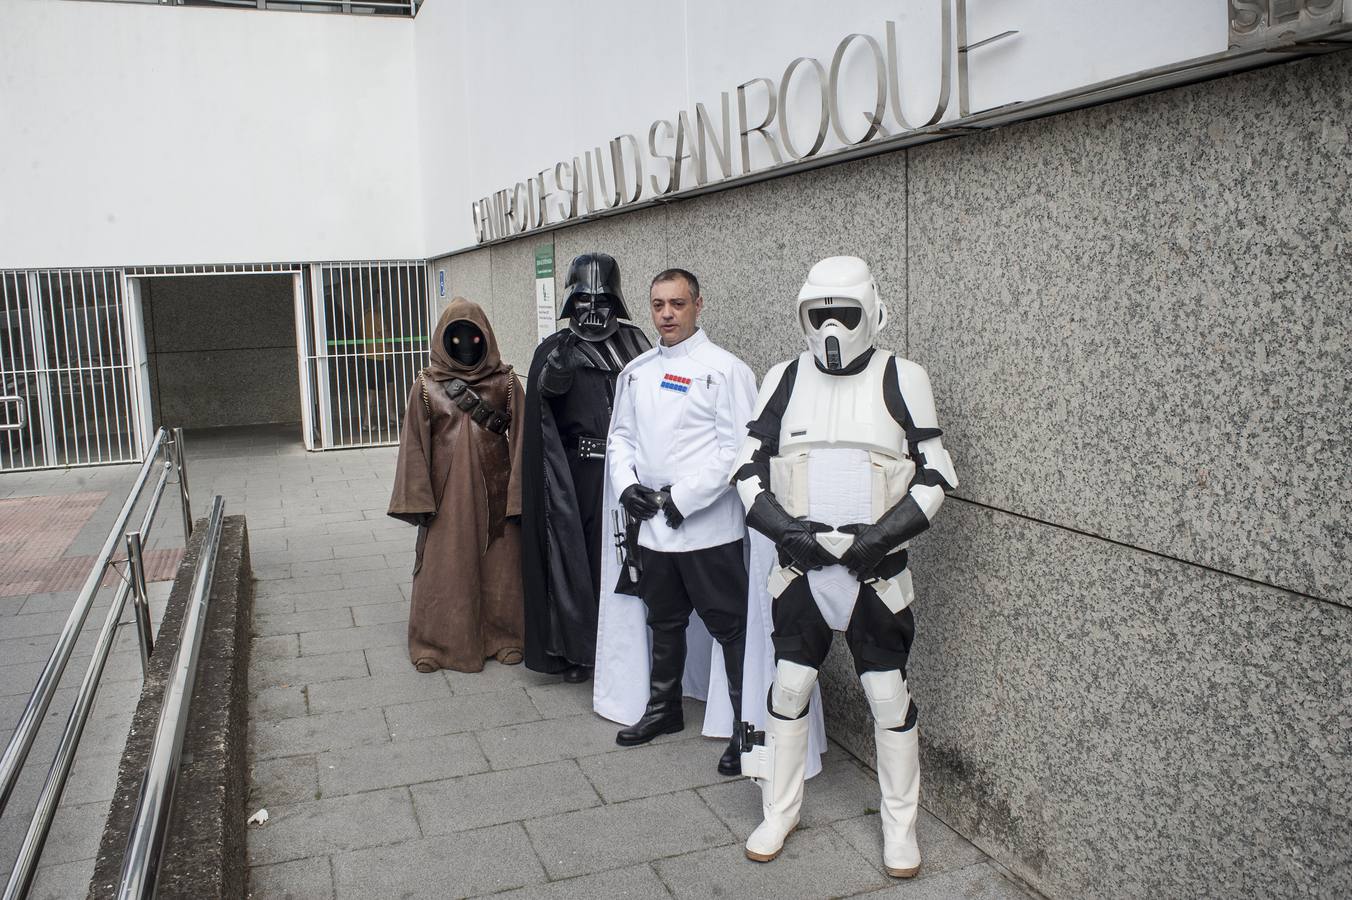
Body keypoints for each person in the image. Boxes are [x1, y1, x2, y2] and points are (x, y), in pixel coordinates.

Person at [732, 256, 958, 877]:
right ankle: (779, 811)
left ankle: (900, 828)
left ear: (873, 314)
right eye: (819, 314)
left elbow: (936, 475)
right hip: (801, 569)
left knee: (888, 695)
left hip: (875, 573)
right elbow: (747, 469)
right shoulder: (783, 377)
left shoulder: (903, 376)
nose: (831, 328)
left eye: (844, 314)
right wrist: (787, 532)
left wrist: (878, 540)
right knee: (789, 687)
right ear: (802, 315)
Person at [595, 268, 758, 774]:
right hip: (652, 525)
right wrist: (627, 486)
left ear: (698, 305)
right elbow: (621, 437)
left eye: (678, 304)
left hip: (708, 527)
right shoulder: (637, 371)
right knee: (662, 620)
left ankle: (744, 727)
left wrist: (681, 499)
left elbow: (739, 451)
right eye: (658, 305)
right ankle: (663, 709)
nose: (667, 314)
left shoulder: (726, 370)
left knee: (731, 628)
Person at [520, 253, 650, 683]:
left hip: (631, 469)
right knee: (584, 559)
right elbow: (544, 407)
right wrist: (557, 373)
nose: (592, 309)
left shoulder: (637, 344)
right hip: (582, 474)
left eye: (602, 299)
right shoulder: (556, 349)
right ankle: (584, 651)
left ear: (617, 300)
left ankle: (637, 646)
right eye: (583, 299)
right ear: (570, 301)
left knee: (635, 556)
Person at [387, 297, 526, 673]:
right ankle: (435, 644)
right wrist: (417, 498)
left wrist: (518, 496)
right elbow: (414, 444)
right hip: (445, 495)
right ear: (443, 338)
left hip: (496, 490)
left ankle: (504, 637)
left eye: (474, 336)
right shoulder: (427, 385)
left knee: (500, 564)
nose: (466, 344)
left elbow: (524, 439)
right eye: (457, 336)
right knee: (443, 566)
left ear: (486, 336)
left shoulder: (506, 382)